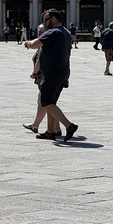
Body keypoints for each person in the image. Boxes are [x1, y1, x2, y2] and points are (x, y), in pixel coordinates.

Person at [24, 9, 78, 142]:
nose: (44, 23)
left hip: (52, 74)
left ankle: (69, 125)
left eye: (46, 20)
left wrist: (28, 43)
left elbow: (35, 45)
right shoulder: (65, 32)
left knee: (46, 102)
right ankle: (50, 131)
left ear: (54, 19)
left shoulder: (53, 32)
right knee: (51, 102)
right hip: (62, 72)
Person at [23, 24, 61, 136]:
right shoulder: (52, 43)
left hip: (44, 77)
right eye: (38, 31)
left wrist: (34, 73)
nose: (38, 34)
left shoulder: (44, 44)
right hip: (52, 76)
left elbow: (39, 61)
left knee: (46, 103)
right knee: (49, 103)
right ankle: (55, 128)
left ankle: (39, 126)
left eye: (41, 32)